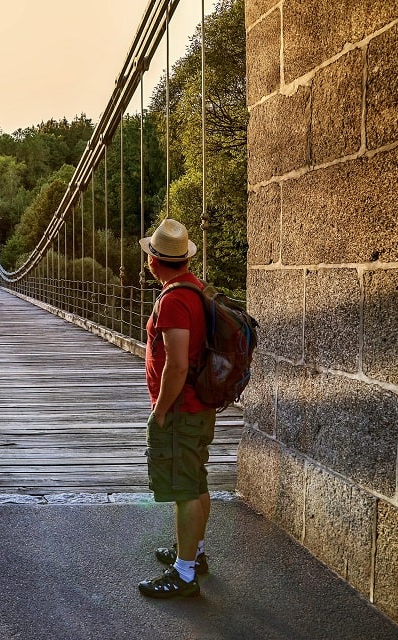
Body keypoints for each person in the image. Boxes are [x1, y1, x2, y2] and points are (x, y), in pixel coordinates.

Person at [136, 218, 215, 599]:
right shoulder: (195, 288)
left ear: (154, 262)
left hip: (181, 408)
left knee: (184, 488)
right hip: (199, 405)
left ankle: (183, 575)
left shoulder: (172, 300)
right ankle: (194, 553)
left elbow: (177, 364)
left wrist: (161, 410)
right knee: (196, 480)